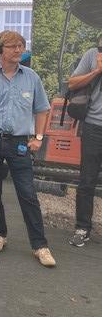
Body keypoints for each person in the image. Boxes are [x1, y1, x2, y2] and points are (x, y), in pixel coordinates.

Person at [0, 30, 56, 267]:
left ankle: (40, 245)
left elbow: (42, 109)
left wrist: (38, 137)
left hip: (19, 143)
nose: (18, 50)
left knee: (27, 193)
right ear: (0, 51)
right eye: (12, 46)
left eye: (21, 46)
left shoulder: (31, 77)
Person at [67, 39, 102, 247]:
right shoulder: (92, 54)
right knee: (87, 180)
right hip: (93, 127)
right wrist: (97, 71)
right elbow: (72, 84)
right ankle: (82, 228)